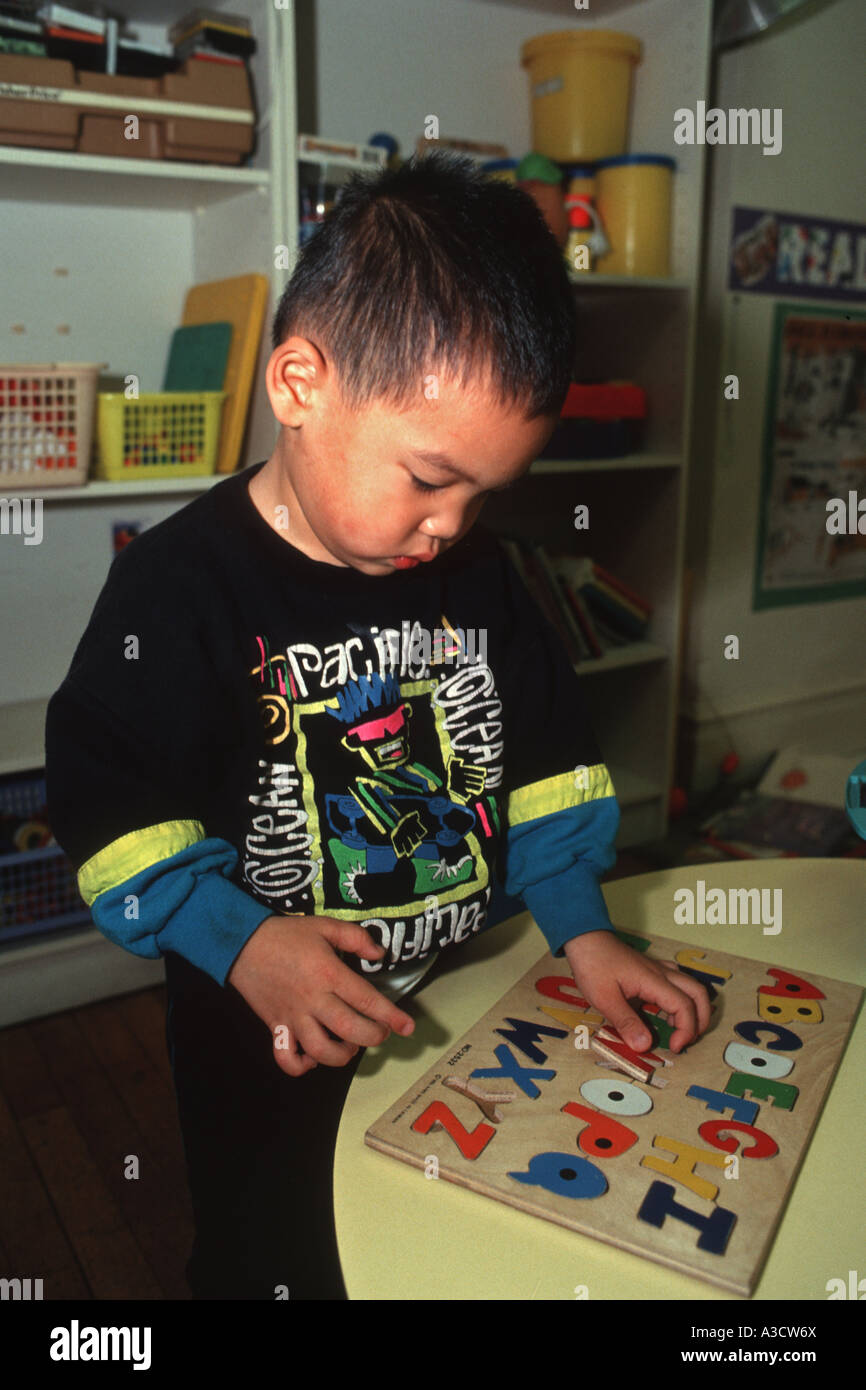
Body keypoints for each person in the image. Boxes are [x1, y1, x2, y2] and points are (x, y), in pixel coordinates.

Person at [45, 151, 710, 1301]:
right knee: (277, 1256)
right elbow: (109, 800)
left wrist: (582, 929)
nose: (450, 526)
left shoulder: (490, 580)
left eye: (483, 494)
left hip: (461, 1001)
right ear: (299, 384)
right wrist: (241, 940)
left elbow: (546, 764)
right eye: (427, 479)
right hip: (265, 1041)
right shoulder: (175, 589)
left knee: (438, 1249)